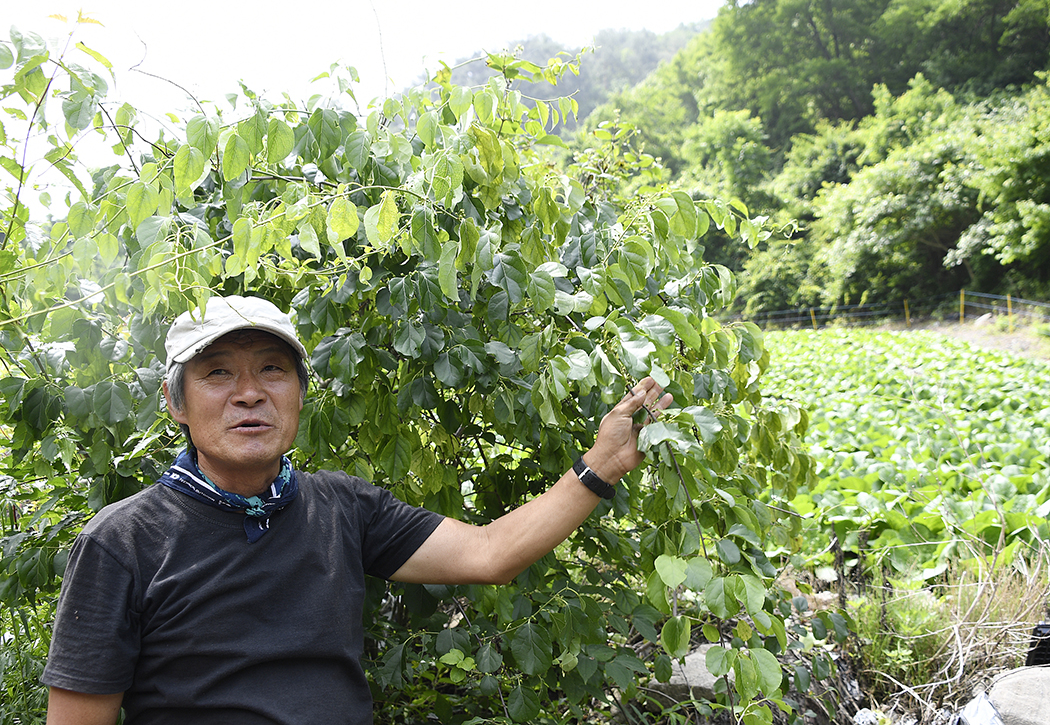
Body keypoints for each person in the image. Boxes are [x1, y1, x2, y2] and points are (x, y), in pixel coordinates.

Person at [41, 295, 672, 725]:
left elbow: (490, 553)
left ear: (299, 393)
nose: (250, 394)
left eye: (272, 370)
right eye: (217, 374)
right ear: (176, 402)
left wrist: (603, 464)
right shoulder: (122, 542)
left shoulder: (341, 507)